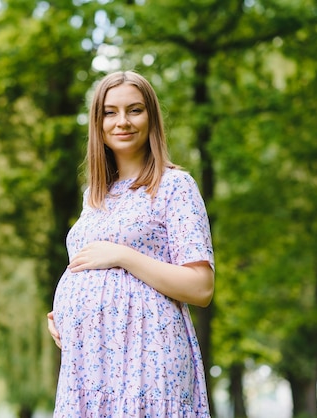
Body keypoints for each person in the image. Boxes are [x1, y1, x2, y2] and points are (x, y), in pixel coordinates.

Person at [47, 70, 215, 417]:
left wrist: (124, 256)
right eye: (110, 112)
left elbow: (201, 288)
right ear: (98, 122)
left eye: (134, 110)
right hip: (89, 367)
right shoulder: (93, 198)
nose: (122, 121)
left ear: (151, 117)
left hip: (147, 360)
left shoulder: (175, 186)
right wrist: (63, 316)